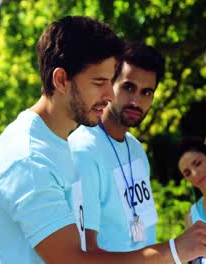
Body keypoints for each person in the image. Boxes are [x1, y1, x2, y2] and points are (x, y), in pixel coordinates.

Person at [0, 16, 206, 263]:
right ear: (61, 80)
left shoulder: (55, 142)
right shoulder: (29, 159)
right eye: (99, 83)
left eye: (110, 82)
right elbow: (74, 260)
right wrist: (174, 250)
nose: (109, 95)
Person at [68, 41, 162, 252]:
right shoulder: (83, 151)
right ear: (110, 85)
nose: (136, 101)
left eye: (147, 92)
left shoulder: (136, 149)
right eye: (129, 87)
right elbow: (87, 250)